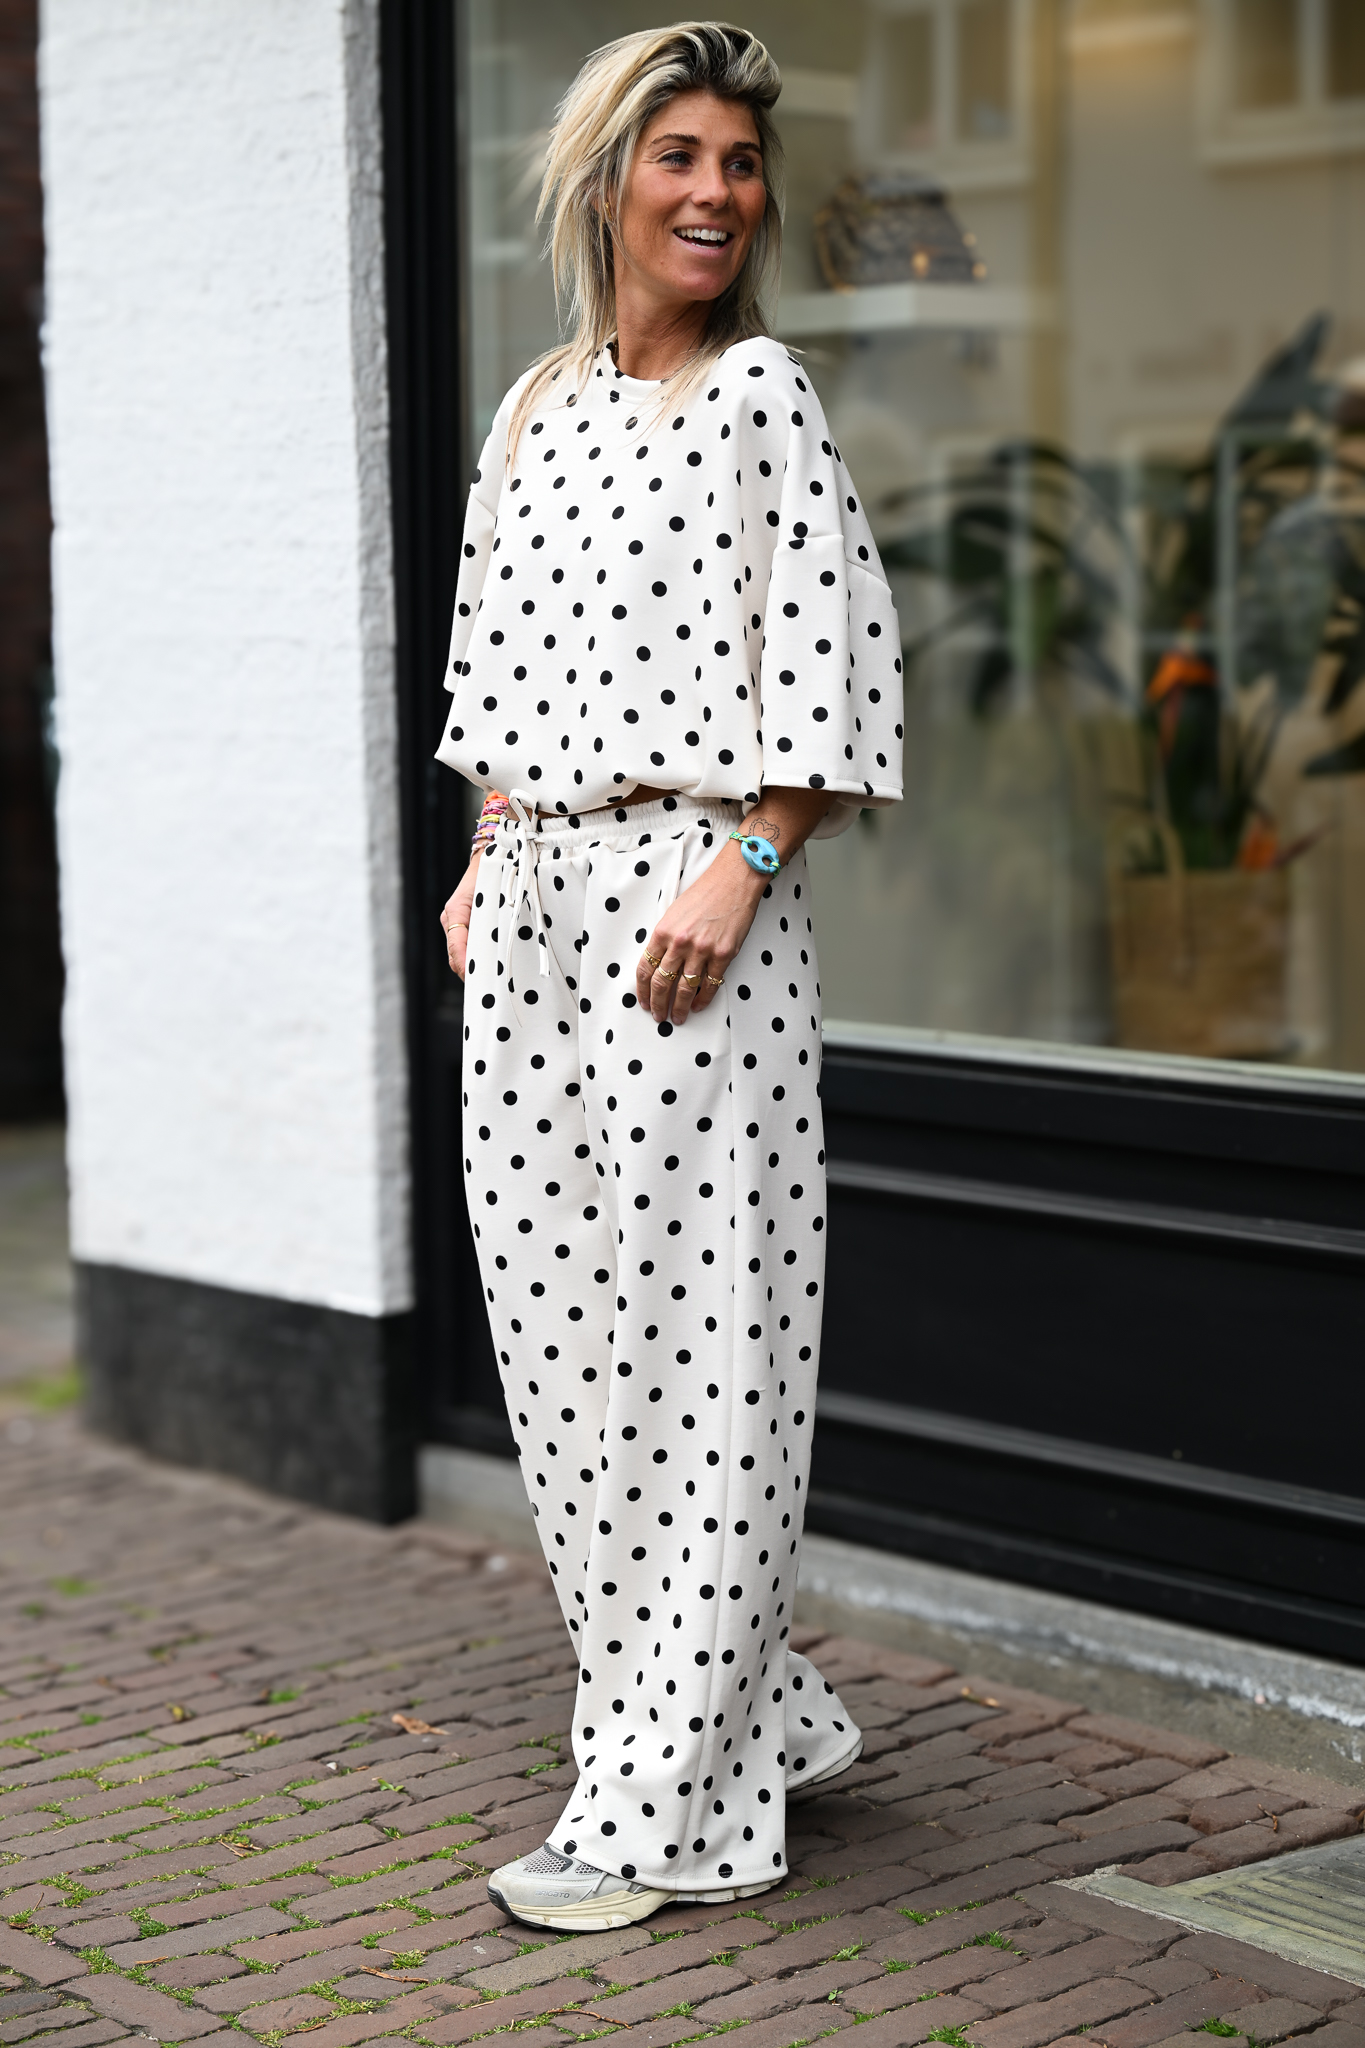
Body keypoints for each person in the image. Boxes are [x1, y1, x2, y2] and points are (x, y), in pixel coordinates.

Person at [436, 20, 904, 1933]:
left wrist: (747, 860)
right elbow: (490, 656)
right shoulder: (537, 406)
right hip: (533, 906)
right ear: (605, 181)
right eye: (679, 156)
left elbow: (834, 663)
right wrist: (484, 857)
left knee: (706, 1349)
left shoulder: (760, 396)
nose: (717, 192)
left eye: (740, 162)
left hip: (696, 903)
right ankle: (747, 1707)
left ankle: (662, 1803)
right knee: (562, 1353)